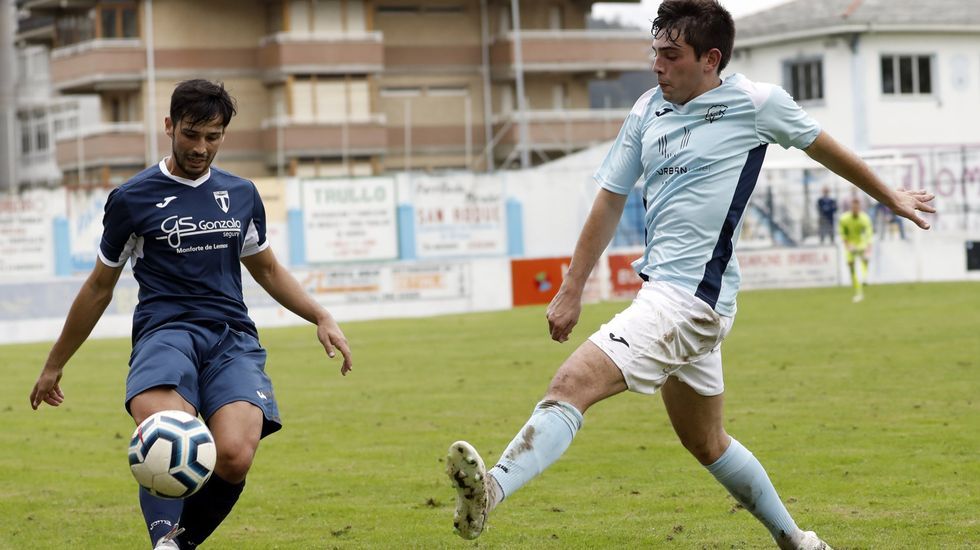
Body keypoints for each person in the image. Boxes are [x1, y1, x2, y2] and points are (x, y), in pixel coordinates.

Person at [445, 1, 935, 549]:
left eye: (671, 55)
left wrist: (890, 195)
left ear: (711, 60)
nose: (657, 65)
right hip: (679, 299)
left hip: (688, 303)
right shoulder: (646, 110)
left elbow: (824, 147)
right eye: (654, 52)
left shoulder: (755, 103)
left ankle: (491, 490)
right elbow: (609, 200)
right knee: (707, 442)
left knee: (570, 385)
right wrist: (571, 286)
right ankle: (799, 540)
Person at [29, 79, 353, 549]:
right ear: (169, 126)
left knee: (236, 455)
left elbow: (266, 267)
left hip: (231, 337)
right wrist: (55, 363)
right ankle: (163, 543)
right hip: (166, 334)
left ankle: (178, 544)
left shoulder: (241, 195)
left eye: (213, 137)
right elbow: (100, 286)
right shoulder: (131, 198)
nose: (201, 148)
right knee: (165, 436)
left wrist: (320, 315)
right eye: (191, 134)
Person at [839, 197, 874, 303]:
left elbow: (868, 233)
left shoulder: (865, 218)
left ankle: (865, 278)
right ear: (851, 208)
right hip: (850, 244)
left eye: (857, 208)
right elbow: (842, 234)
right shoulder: (844, 219)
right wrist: (848, 245)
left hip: (861, 243)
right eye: (854, 208)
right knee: (851, 266)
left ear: (859, 208)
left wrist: (868, 246)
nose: (855, 210)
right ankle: (858, 293)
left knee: (865, 258)